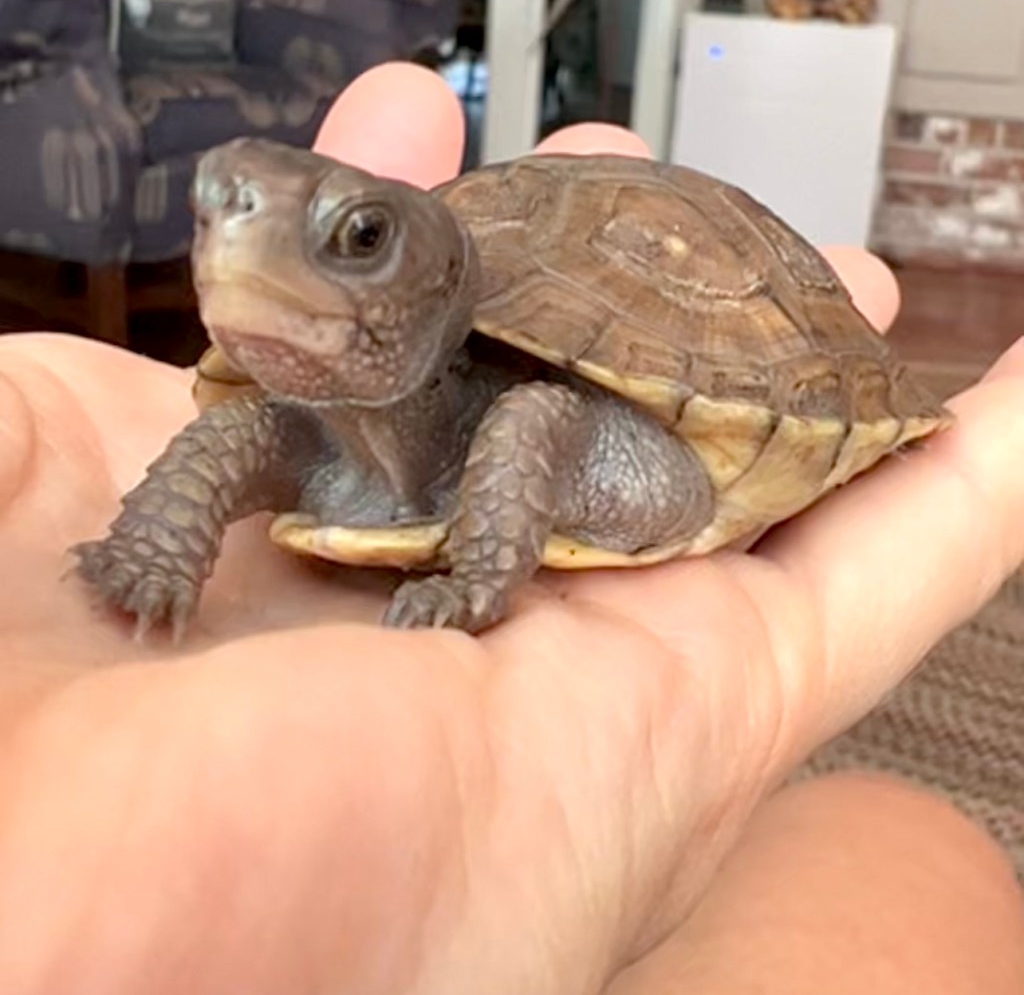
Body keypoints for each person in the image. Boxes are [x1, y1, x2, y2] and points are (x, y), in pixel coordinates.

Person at [0, 61, 1021, 993]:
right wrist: (145, 556)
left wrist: (486, 570)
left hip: (644, 439)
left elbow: (533, 408)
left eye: (358, 240)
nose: (238, 245)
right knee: (910, 845)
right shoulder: (291, 428)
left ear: (430, 283)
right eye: (219, 212)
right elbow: (224, 446)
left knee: (897, 836)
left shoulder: (540, 414)